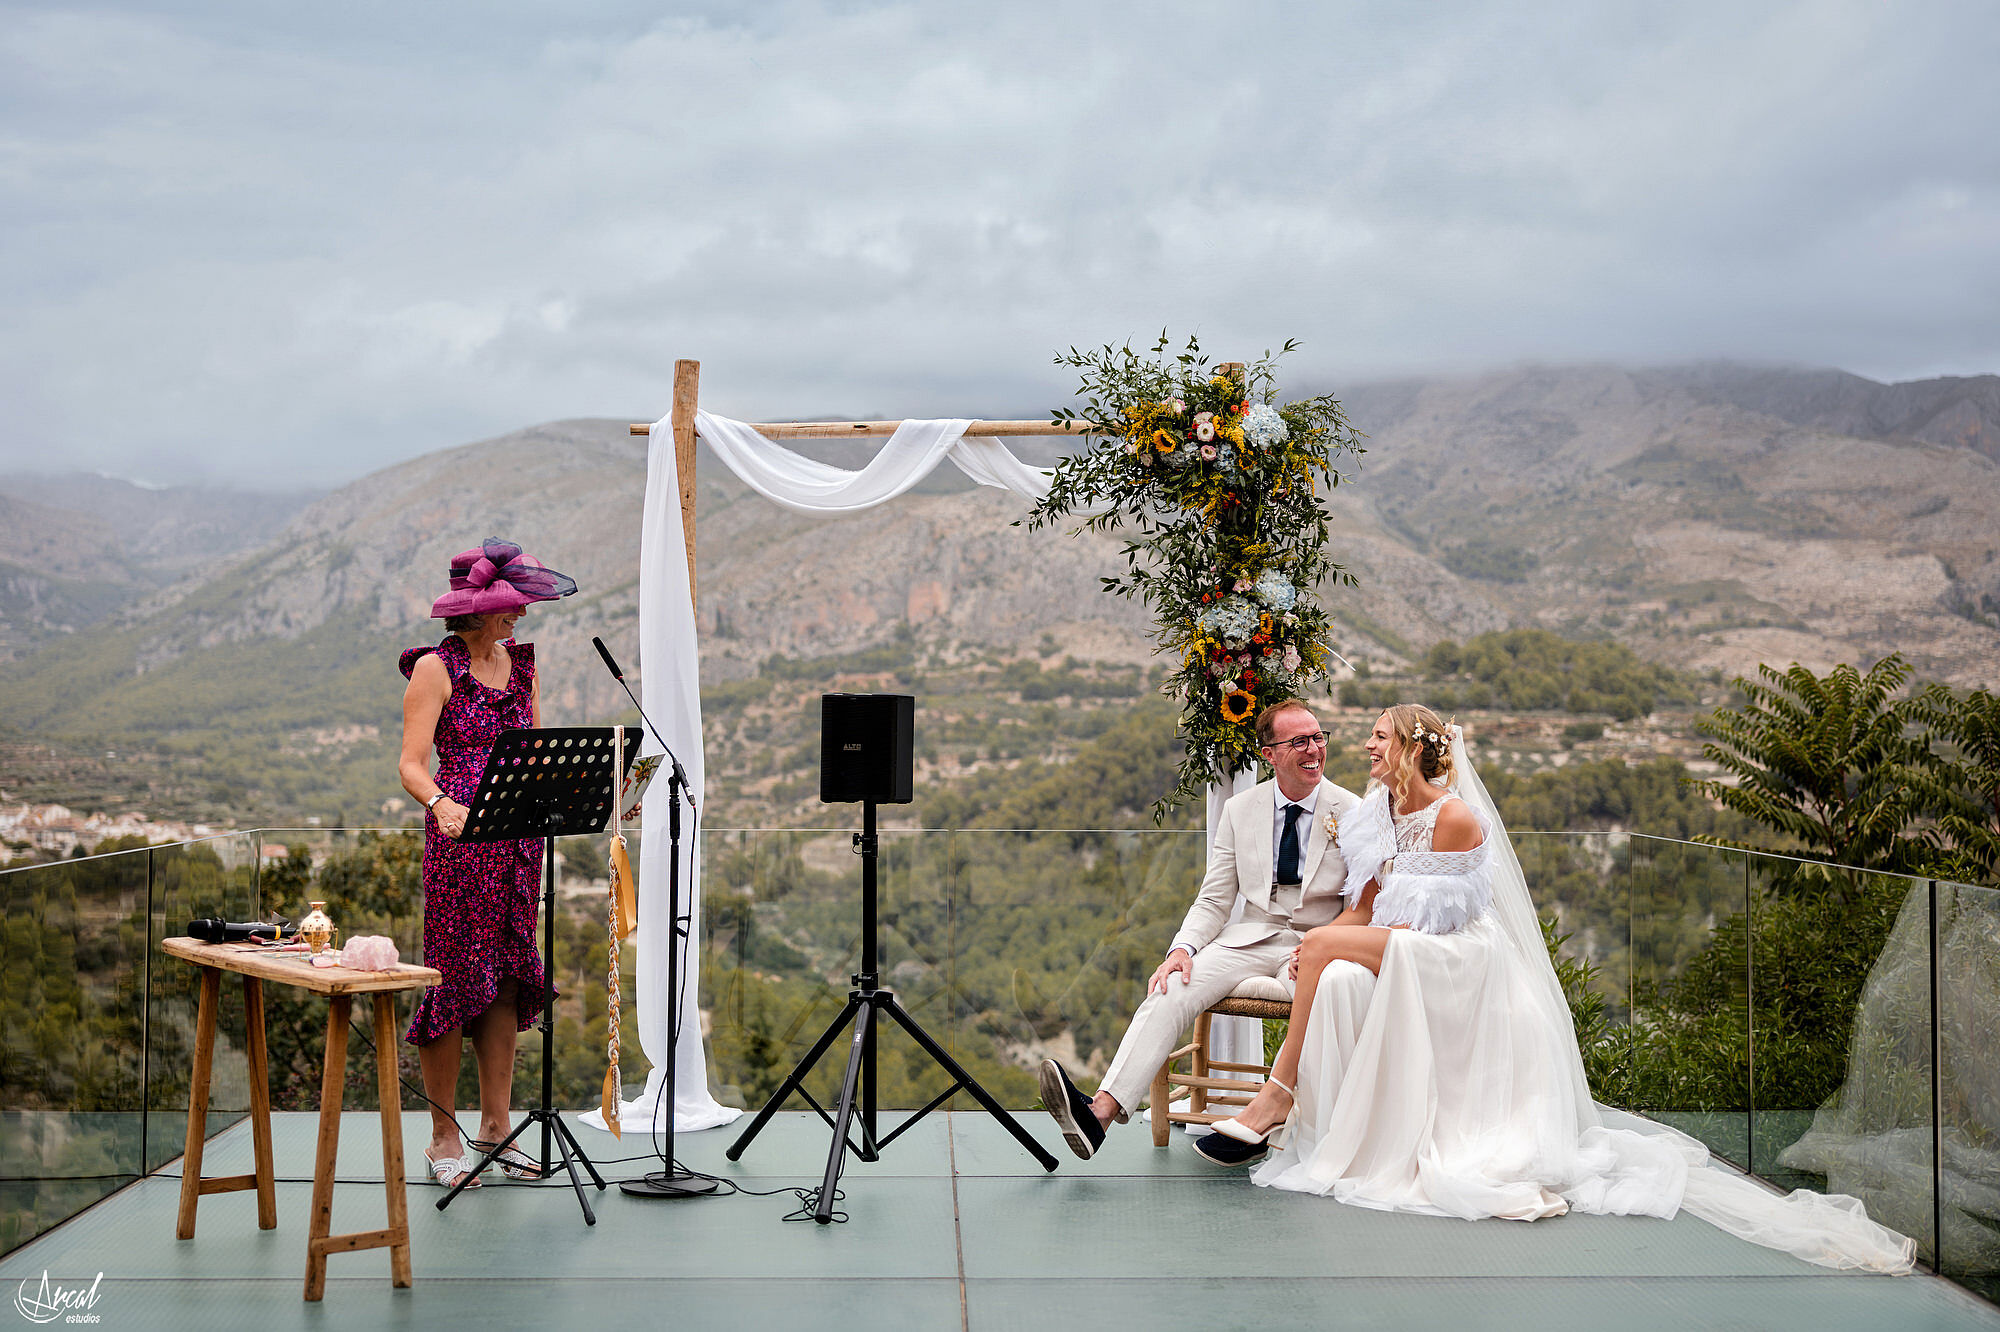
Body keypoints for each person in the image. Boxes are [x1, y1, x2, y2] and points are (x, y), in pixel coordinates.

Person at [1197, 704, 1915, 1274]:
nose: (1368, 748)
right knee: (1330, 957)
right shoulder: (1371, 813)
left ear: (1415, 747)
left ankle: (1277, 1092)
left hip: (1456, 953)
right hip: (1406, 940)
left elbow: (1437, 918)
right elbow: (1366, 905)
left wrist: (1331, 944)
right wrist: (1325, 953)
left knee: (1325, 947)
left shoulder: (1453, 816)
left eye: (1379, 737)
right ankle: (1307, 1104)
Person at [1037, 698, 1364, 1160]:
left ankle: (1271, 1126)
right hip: (1249, 937)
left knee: (1318, 1001)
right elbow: (1215, 897)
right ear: (1268, 753)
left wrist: (1325, 946)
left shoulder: (1352, 811)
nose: (1313, 749)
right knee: (1170, 989)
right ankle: (1098, 1115)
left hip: (1315, 948)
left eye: (1317, 738)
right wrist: (1183, 948)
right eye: (1299, 742)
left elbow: (1361, 904)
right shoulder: (1240, 810)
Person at [398, 538, 576, 1189]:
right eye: (509, 606)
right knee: (451, 980)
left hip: (517, 842)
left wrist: (599, 794)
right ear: (473, 612)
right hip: (459, 844)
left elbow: (537, 755)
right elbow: (411, 763)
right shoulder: (434, 669)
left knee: (504, 977)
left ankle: (497, 1128)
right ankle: (444, 1133)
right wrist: (441, 802)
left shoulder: (522, 668)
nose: (520, 616)